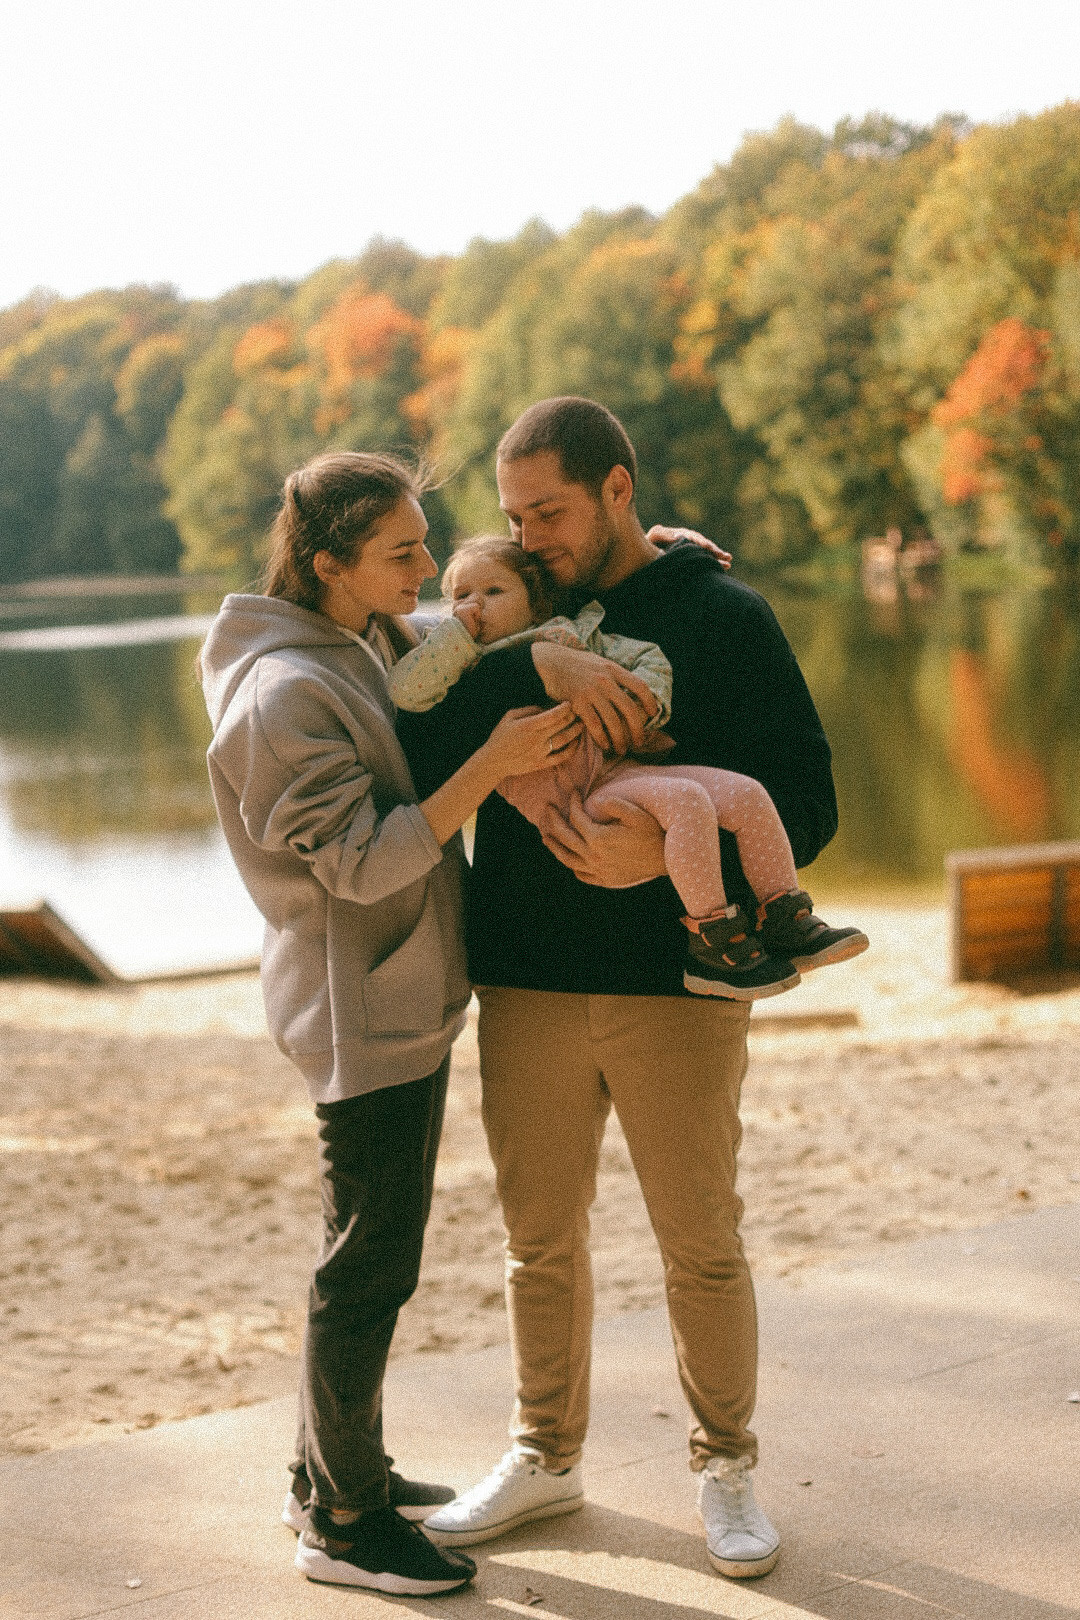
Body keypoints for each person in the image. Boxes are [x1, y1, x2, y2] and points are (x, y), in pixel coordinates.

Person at [396, 398, 839, 1580]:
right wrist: (527, 659)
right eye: (513, 516)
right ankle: (545, 1455)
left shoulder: (722, 615)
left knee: (699, 1239)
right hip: (526, 976)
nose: (528, 538)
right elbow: (424, 760)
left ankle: (726, 1465)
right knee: (537, 1239)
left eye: (549, 512)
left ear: (618, 491)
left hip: (675, 986)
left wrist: (668, 861)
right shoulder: (498, 628)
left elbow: (806, 799)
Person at [198, 450, 583, 1596]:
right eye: (402, 552)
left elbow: (488, 642)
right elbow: (363, 868)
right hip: (358, 1006)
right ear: (327, 565)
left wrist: (664, 555)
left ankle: (332, 1470)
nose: (427, 569)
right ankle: (345, 1525)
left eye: (426, 542)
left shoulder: (362, 638)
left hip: (403, 995)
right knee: (366, 1265)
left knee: (369, 1249)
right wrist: (491, 765)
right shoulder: (281, 697)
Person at [390, 533, 867, 1000]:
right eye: (460, 596)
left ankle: (786, 918)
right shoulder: (455, 661)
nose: (475, 605)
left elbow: (643, 654)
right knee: (686, 801)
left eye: (494, 591)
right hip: (579, 801)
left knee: (746, 795)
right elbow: (408, 695)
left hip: (620, 773)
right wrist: (509, 655)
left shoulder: (576, 628)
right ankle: (712, 940)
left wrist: (646, 706)